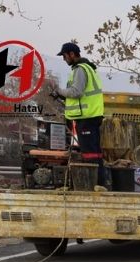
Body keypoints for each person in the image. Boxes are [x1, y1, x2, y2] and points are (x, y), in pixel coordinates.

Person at [49, 42, 107, 188]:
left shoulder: (80, 69)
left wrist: (59, 90)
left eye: (64, 55)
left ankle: (93, 184)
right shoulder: (87, 68)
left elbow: (76, 92)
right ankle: (100, 183)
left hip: (87, 117)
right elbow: (78, 97)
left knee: (89, 153)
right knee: (94, 151)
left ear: (72, 54)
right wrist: (61, 96)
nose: (64, 59)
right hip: (90, 116)